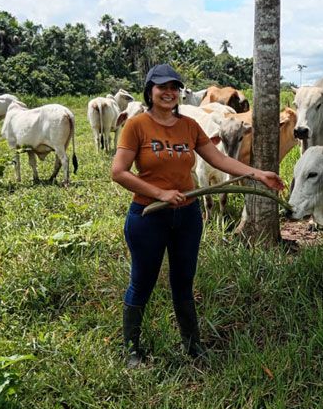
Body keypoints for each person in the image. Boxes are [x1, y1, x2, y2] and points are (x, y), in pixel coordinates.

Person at [111, 64, 285, 367]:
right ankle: (131, 350)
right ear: (150, 91)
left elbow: (218, 159)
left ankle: (193, 347)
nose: (168, 93)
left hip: (187, 217)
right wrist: (160, 193)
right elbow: (119, 172)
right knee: (143, 281)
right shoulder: (136, 125)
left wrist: (258, 174)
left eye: (174, 88)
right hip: (148, 216)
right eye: (162, 87)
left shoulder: (189, 127)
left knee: (183, 282)